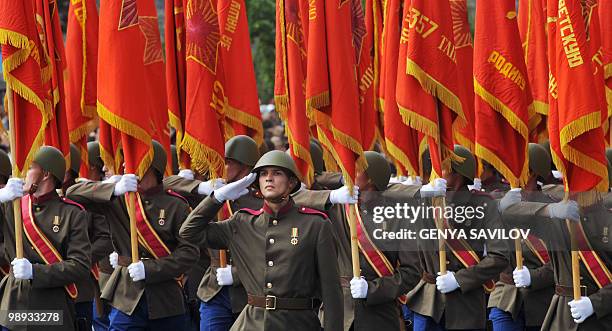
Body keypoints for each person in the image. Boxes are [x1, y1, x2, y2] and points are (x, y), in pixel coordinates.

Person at [179, 150, 343, 330]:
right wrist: (218, 197)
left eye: (277, 173)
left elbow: (331, 293)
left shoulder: (315, 225)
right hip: (251, 323)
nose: (269, 178)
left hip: (297, 323)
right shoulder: (242, 222)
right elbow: (189, 232)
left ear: (291, 183)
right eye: (264, 174)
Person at [66, 141, 198, 330]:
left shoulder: (176, 206)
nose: (126, 166)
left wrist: (151, 268)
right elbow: (72, 194)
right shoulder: (118, 199)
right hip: (126, 299)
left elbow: (188, 253)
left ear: (150, 167)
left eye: (133, 161)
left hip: (166, 300)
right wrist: (113, 189)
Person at [408, 145, 509, 331]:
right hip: (428, 303)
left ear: (459, 174)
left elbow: (500, 256)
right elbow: (390, 193)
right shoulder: (426, 199)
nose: (436, 174)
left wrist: (460, 279)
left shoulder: (483, 204)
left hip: (465, 305)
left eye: (443, 169)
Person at [0, 146, 91, 331]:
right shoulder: (12, 205)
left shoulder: (71, 213)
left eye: (31, 166)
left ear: (46, 174)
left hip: (51, 305)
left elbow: (80, 265)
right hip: (14, 304)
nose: (25, 172)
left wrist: (35, 272)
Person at [488, 143, 555, 330]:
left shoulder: (553, 209)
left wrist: (534, 277)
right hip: (505, 298)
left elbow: (563, 263)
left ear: (533, 172)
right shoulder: (497, 202)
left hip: (542, 303)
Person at [61, 144, 113, 331]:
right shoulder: (31, 200)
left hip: (80, 284)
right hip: (43, 288)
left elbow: (105, 238)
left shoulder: (85, 196)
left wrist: (78, 261)